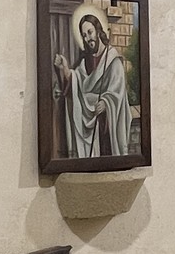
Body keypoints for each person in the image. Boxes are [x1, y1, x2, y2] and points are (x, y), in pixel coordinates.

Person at [55, 11, 133, 158]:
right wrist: (64, 68)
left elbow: (118, 92)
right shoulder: (86, 61)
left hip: (106, 125)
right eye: (84, 35)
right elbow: (78, 82)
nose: (87, 38)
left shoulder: (113, 60)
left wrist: (106, 102)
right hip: (91, 124)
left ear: (98, 31)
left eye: (90, 32)